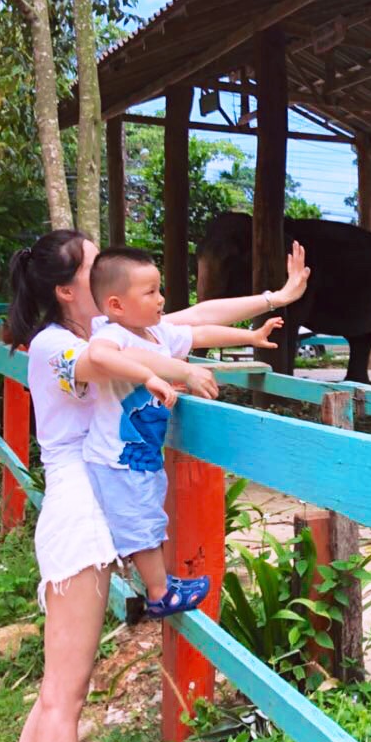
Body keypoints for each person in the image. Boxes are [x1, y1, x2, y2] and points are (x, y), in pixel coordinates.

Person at [0, 229, 309, 742]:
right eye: (89, 265)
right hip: (81, 517)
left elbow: (188, 320)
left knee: (56, 690)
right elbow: (110, 364)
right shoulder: (60, 345)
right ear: (67, 289)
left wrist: (271, 298)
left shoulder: (116, 329)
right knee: (64, 696)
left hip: (90, 512)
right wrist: (177, 373)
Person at [83, 246, 283, 619]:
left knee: (150, 516)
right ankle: (160, 594)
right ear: (116, 305)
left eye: (159, 289)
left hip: (140, 455)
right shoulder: (111, 335)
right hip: (117, 457)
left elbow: (200, 329)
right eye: (150, 292)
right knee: (141, 523)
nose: (161, 299)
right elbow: (98, 358)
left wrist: (251, 337)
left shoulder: (157, 335)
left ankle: (161, 584)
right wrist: (151, 375)